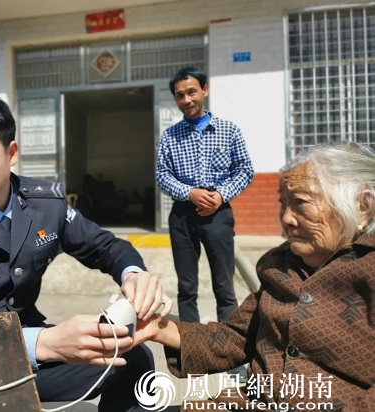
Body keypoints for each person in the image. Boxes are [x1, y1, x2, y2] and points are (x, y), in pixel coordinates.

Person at [0, 91, 171, 412]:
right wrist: (45, 343)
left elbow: (105, 246)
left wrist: (135, 276)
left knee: (132, 354)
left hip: (27, 343)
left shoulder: (46, 203)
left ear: (11, 152)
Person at [137, 143, 375, 410]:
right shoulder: (281, 265)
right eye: (283, 203)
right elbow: (238, 335)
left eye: (302, 203)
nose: (286, 219)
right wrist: (156, 328)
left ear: (363, 206)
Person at [155, 66, 254, 324]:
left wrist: (220, 196)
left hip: (218, 214)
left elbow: (244, 170)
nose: (186, 100)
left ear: (204, 90)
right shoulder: (169, 136)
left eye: (191, 92)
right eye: (179, 95)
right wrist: (190, 193)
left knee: (224, 286)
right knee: (186, 287)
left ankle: (229, 351)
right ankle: (191, 348)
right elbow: (162, 175)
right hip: (183, 216)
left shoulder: (228, 130)